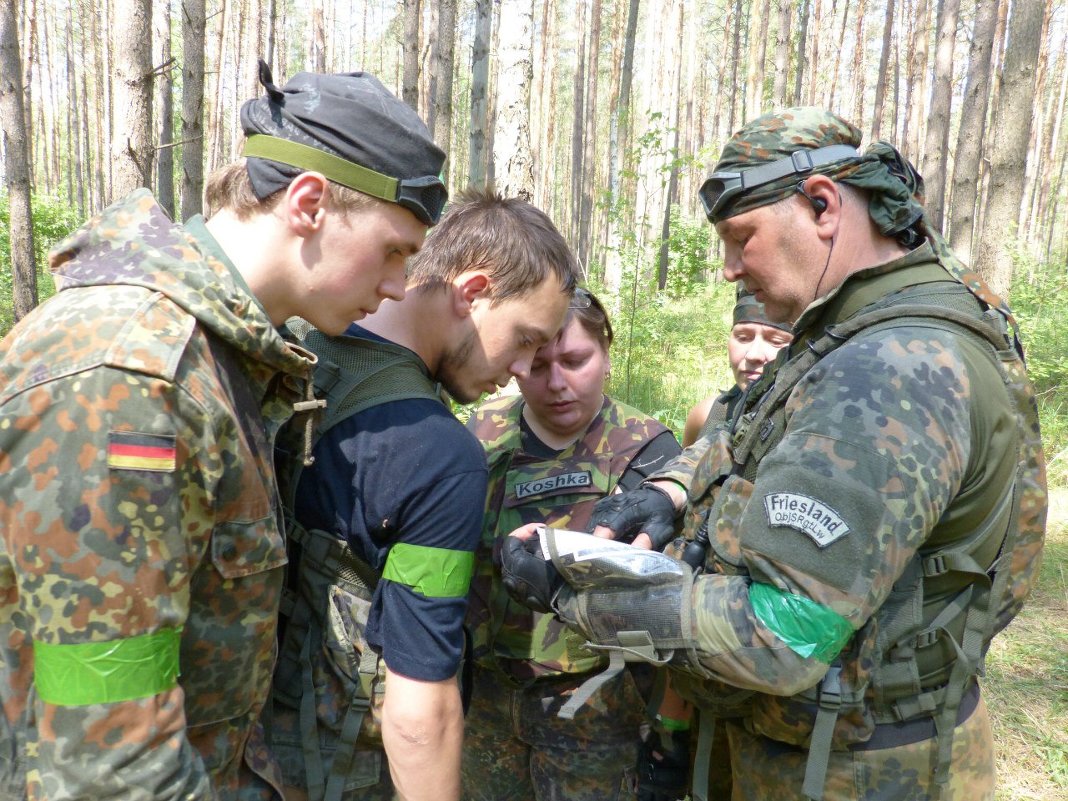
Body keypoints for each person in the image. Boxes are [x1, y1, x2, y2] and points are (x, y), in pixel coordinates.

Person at [499, 107, 1047, 801]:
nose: (730, 268)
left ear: (822, 204)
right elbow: (748, 425)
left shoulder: (885, 373)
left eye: (740, 237)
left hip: (855, 768)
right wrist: (669, 491)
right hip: (821, 745)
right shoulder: (856, 329)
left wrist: (580, 597)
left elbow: (782, 634)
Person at [0, 61, 446, 800]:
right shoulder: (130, 378)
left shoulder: (223, 360)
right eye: (394, 249)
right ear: (308, 203)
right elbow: (110, 766)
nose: (399, 284)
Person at [265, 189, 582, 801]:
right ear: (472, 292)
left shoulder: (296, 343)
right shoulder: (439, 454)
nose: (523, 369)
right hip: (340, 769)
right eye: (524, 338)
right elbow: (420, 708)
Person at [461, 288, 681, 801]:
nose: (557, 384)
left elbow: (671, 598)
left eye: (576, 361)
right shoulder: (479, 435)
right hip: (488, 692)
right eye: (538, 365)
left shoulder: (649, 450)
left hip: (596, 702)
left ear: (606, 355)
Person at [682, 291, 793, 447]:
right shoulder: (706, 415)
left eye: (775, 341)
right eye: (743, 337)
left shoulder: (805, 426)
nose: (753, 354)